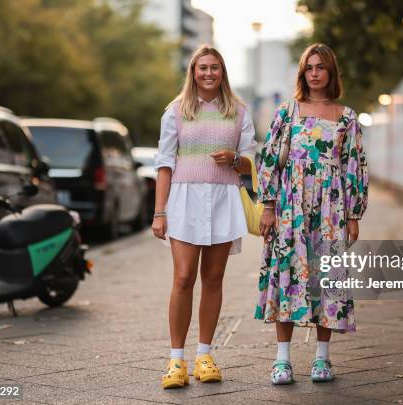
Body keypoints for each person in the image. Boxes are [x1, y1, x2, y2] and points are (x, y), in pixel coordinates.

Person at [255, 43, 369, 385]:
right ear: (302, 73)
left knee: (328, 280)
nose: (315, 73)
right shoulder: (286, 113)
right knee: (287, 273)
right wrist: (269, 206)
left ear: (331, 73)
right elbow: (270, 160)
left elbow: (355, 167)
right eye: (309, 67)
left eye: (321, 67)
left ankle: (322, 359)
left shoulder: (347, 117)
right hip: (291, 207)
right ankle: (282, 360)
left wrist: (353, 215)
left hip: (331, 209)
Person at [152, 45, 256, 389]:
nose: (209, 73)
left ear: (222, 72)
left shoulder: (239, 111)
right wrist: (159, 212)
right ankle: (176, 360)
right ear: (193, 73)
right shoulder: (177, 110)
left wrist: (235, 158)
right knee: (183, 278)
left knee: (214, 279)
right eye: (202, 68)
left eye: (214, 67)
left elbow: (252, 163)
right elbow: (165, 164)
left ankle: (205, 355)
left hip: (223, 198)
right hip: (184, 199)